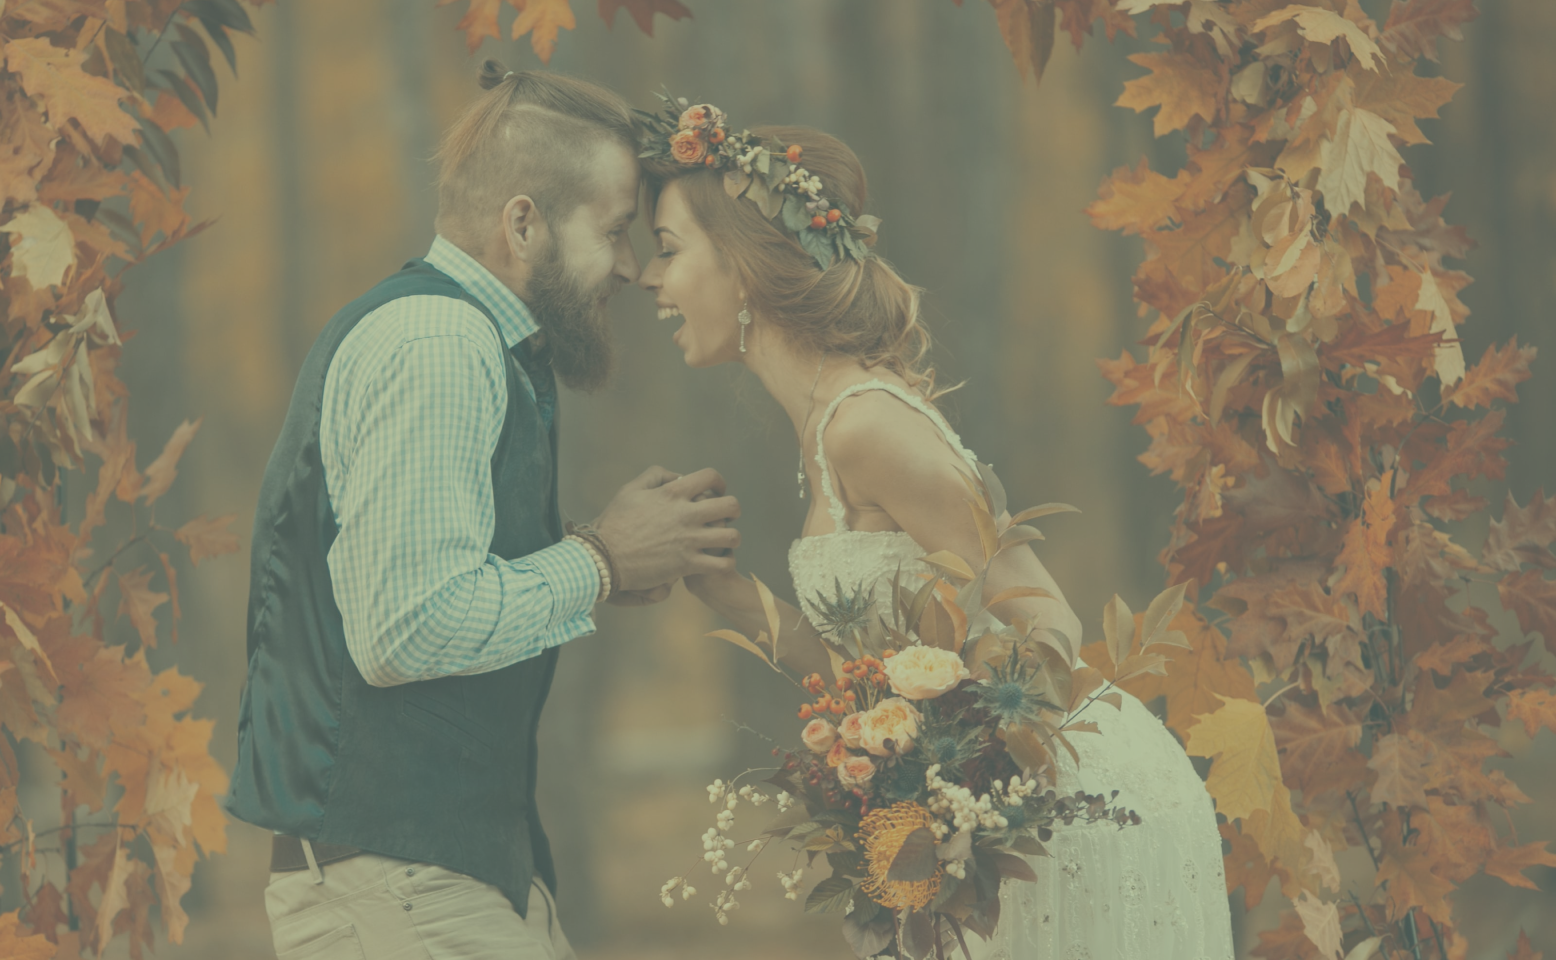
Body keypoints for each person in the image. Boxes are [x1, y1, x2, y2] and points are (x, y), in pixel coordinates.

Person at [638, 114, 1236, 959]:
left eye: (667, 248)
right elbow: (877, 679)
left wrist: (960, 802)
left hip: (1068, 810)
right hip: (987, 822)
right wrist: (738, 600)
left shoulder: (865, 425)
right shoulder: (824, 434)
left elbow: (1049, 625)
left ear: (740, 264)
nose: (646, 276)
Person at [224, 63, 741, 960]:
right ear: (522, 222)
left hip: (434, 886)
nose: (629, 265)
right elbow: (405, 630)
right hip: (395, 892)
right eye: (615, 231)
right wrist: (602, 559)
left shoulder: (471, 342)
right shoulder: (439, 342)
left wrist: (595, 556)